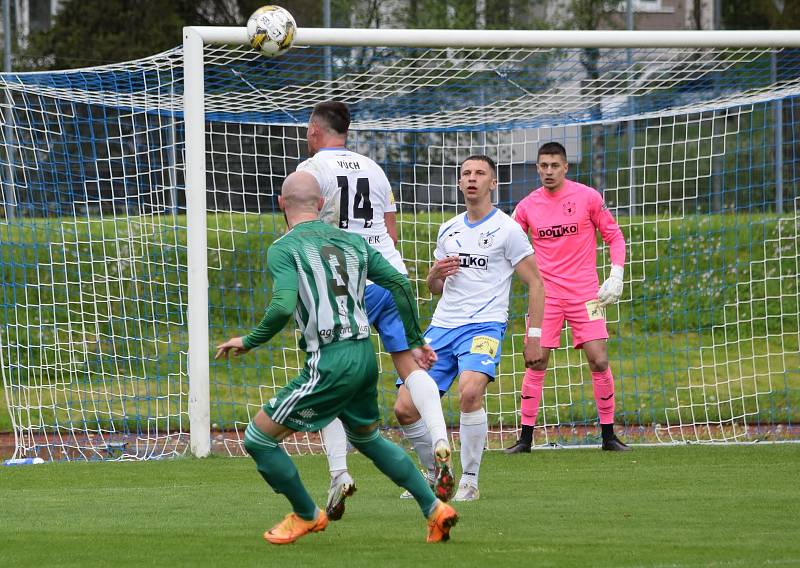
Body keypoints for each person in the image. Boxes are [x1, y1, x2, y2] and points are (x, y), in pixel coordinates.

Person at [214, 171, 458, 545]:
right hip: (363, 354)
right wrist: (414, 340)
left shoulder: (283, 248)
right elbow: (399, 283)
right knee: (369, 438)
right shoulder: (352, 242)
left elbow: (281, 306)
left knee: (258, 439)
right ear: (322, 204)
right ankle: (434, 508)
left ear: (281, 204)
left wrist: (249, 340)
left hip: (330, 359)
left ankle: (306, 514)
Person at [296, 101, 454, 517]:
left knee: (324, 375)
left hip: (344, 285)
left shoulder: (311, 171)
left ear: (315, 131)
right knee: (410, 365)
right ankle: (440, 439)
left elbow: (300, 231)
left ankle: (338, 473)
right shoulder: (376, 170)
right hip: (390, 277)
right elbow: (391, 232)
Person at [393, 154, 546, 502]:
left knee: (470, 391)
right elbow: (435, 287)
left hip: (485, 325)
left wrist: (534, 336)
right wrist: (433, 275)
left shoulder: (508, 229)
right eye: (466, 174)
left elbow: (537, 284)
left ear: (493, 183)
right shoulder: (449, 229)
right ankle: (433, 473)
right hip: (443, 326)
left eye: (480, 173)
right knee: (404, 407)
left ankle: (470, 481)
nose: (472, 178)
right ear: (460, 183)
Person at [505, 141, 630, 454]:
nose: (549, 171)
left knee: (599, 358)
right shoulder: (526, 207)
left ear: (565, 167)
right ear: (537, 168)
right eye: (543, 166)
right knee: (536, 360)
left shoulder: (588, 197)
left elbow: (614, 236)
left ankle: (608, 436)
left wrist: (616, 274)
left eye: (554, 165)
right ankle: (525, 439)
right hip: (545, 296)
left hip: (585, 293)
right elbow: (507, 245)